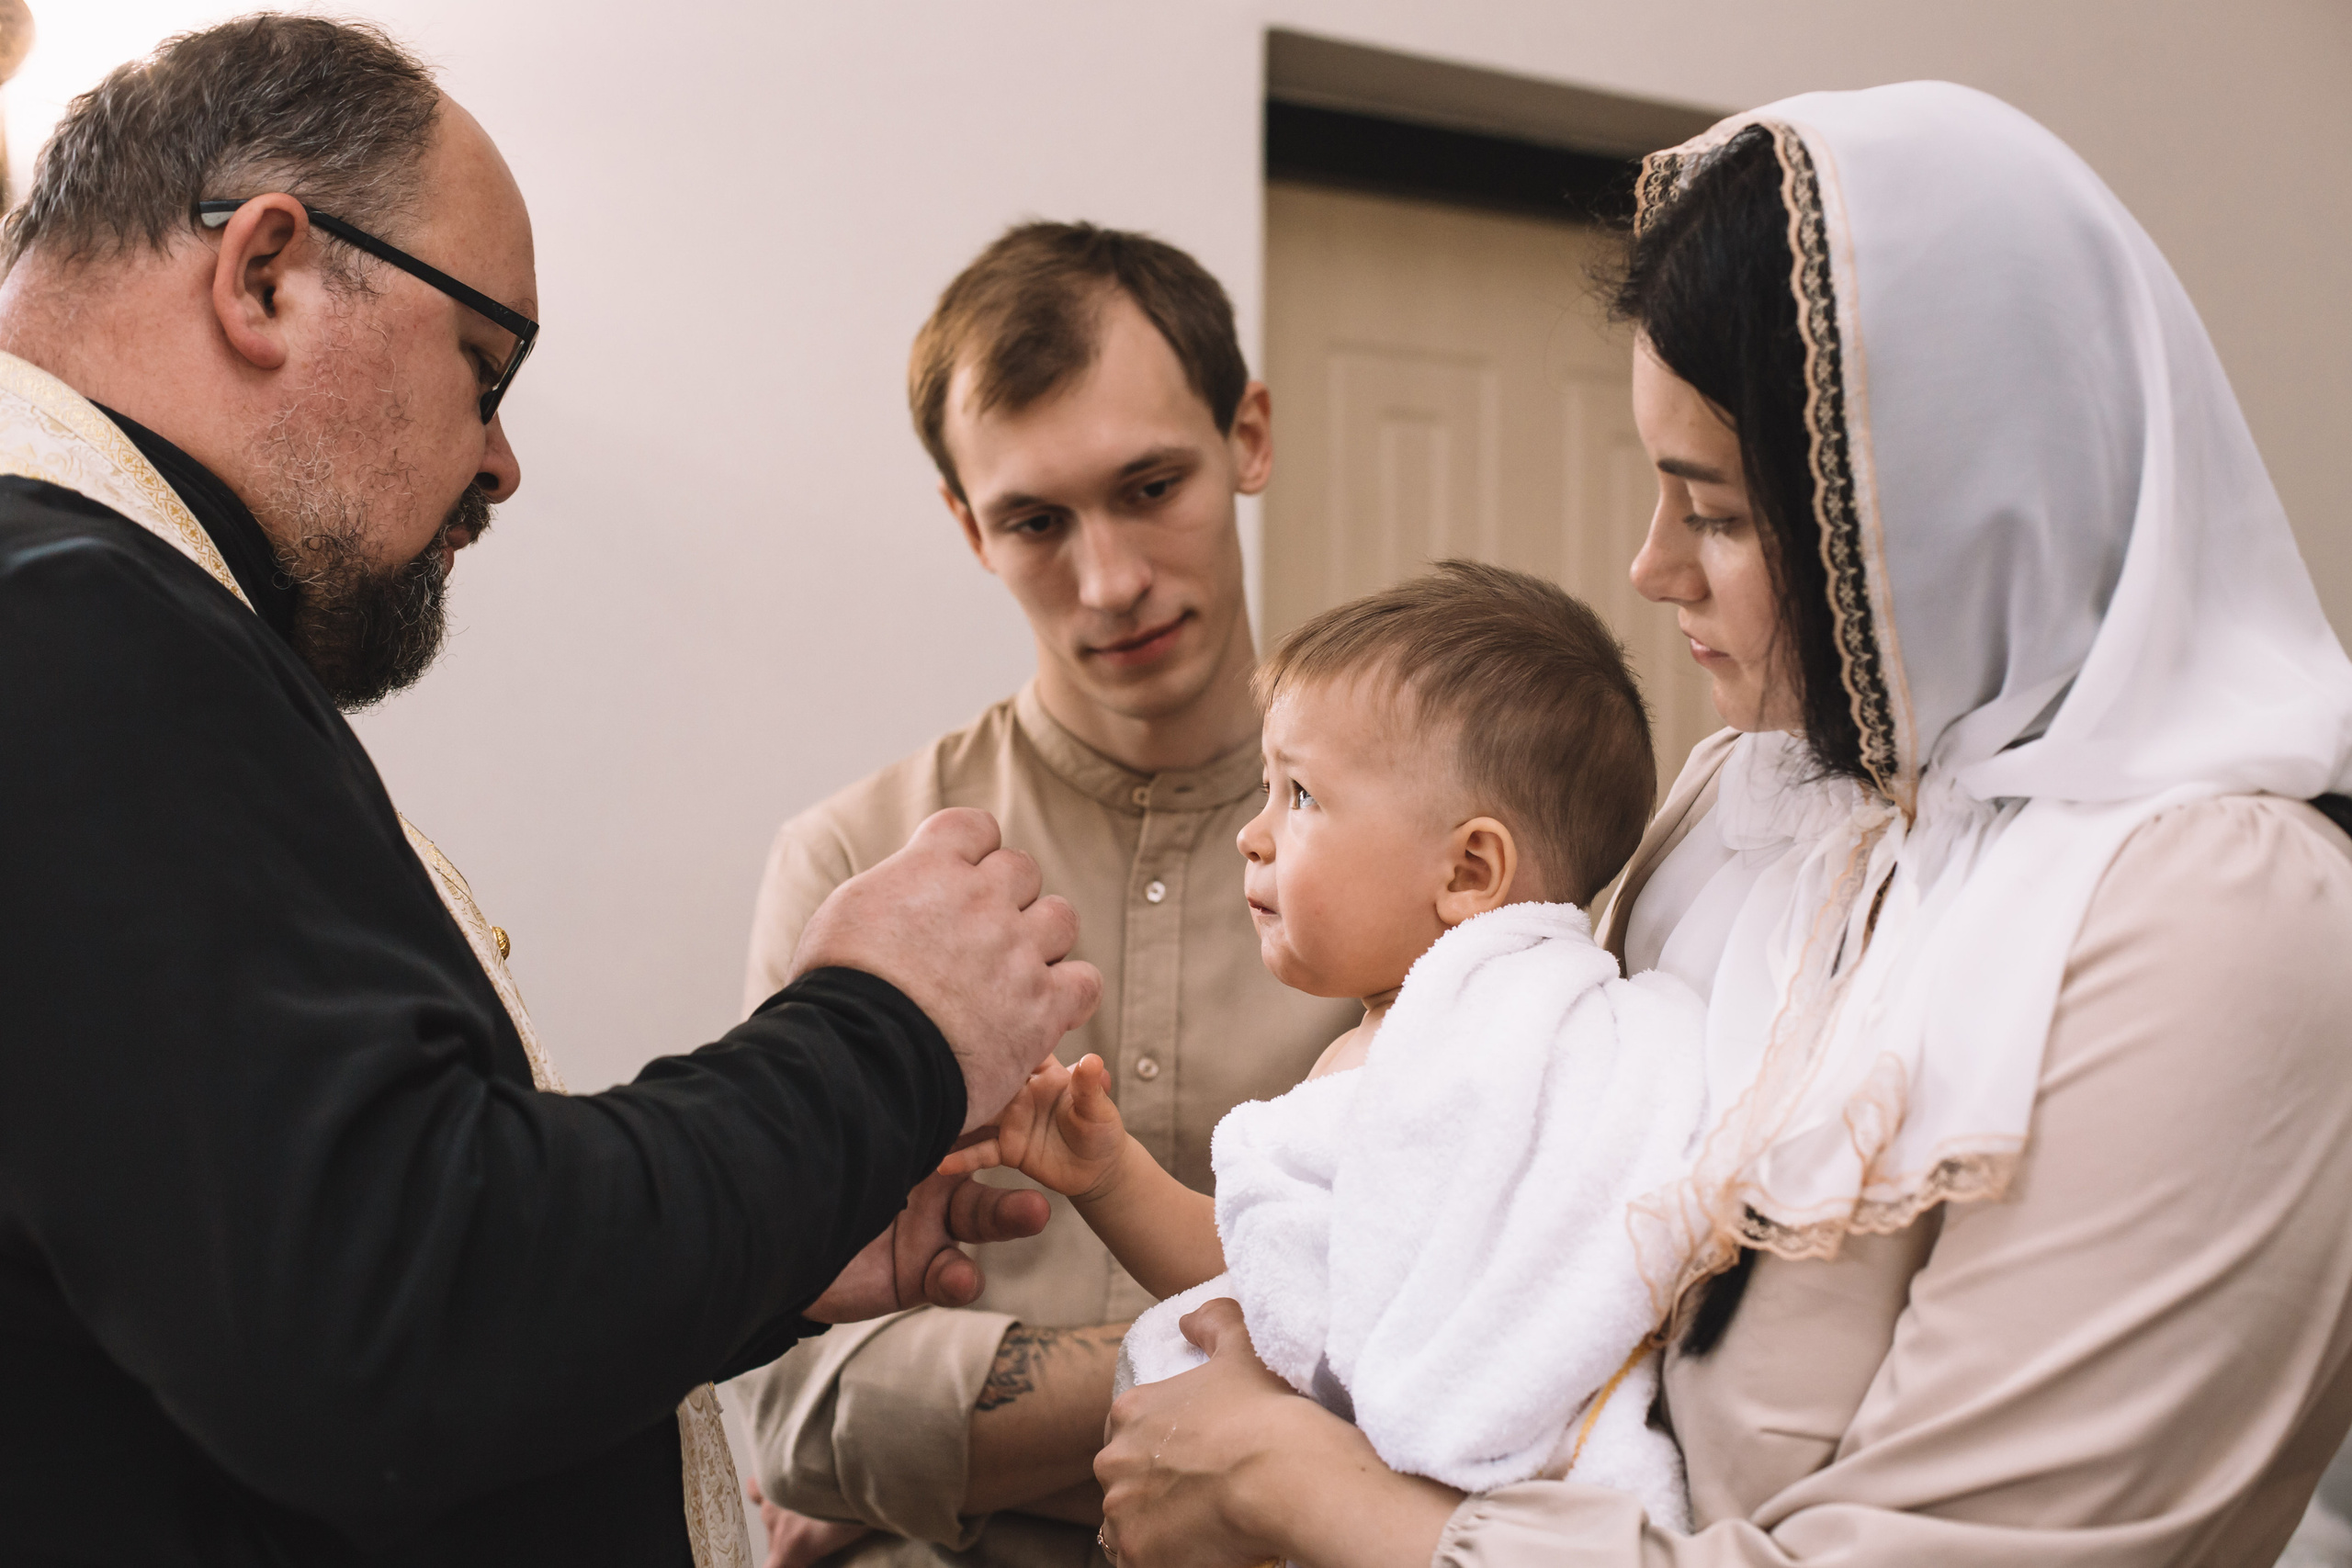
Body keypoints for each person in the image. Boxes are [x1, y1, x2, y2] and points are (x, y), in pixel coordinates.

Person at [1086, 82, 2352, 1568]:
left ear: (1950, 512)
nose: (1651, 567)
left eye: (1720, 513)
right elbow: (1510, 1222)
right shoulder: (1761, 799)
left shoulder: (2223, 923)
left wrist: (1295, 1482)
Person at [0, 19, 1097, 1568]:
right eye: (486, 365)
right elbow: (396, 1318)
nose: (503, 461)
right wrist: (882, 1035)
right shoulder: (72, 616)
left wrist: (769, 1234)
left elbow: (334, 1273)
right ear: (267, 277)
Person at [732, 223, 1357, 1568]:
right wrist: (1295, 1400)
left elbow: (1500, 1351)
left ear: (1248, 437)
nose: (1110, 580)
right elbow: (798, 1406)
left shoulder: (1447, 849)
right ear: (969, 526)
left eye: (1150, 486)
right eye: (1034, 520)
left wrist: (943, 1451)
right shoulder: (852, 861)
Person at [949, 561, 1707, 1528]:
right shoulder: (1497, 1035)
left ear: (1469, 869)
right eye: (1265, 789)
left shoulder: (1463, 1058)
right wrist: (1108, 1174)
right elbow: (1270, 1285)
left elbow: (1284, 1317)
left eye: (1299, 795)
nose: (1252, 835)